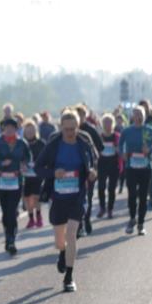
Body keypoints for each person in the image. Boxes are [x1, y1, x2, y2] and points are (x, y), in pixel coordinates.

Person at [34, 110, 96, 292]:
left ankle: (69, 277)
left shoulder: (84, 144)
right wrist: (53, 173)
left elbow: (94, 163)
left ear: (77, 127)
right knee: (60, 242)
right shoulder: (53, 145)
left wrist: (93, 173)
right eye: (66, 129)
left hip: (77, 196)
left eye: (72, 129)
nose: (69, 132)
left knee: (72, 234)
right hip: (58, 197)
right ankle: (62, 252)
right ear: (61, 128)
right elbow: (38, 167)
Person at [0, 118, 32, 255]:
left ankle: (10, 239)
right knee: (6, 212)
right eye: (7, 128)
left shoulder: (21, 143)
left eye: (12, 128)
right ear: (3, 129)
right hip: (1, 182)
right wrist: (0, 163)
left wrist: (24, 164)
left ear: (16, 129)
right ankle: (9, 234)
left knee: (12, 210)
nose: (9, 130)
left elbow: (28, 157)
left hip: (16, 181)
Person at [119, 106, 152, 236]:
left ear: (145, 116)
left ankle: (141, 224)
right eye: (136, 114)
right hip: (131, 167)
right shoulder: (127, 131)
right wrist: (123, 155)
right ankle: (132, 218)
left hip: (145, 168)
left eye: (141, 115)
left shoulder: (150, 130)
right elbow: (120, 146)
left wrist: (150, 151)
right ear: (132, 116)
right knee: (132, 195)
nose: (138, 117)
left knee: (143, 196)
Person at [74, 105, 104, 235]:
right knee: (76, 198)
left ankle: (86, 219)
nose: (79, 118)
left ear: (85, 116)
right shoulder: (67, 131)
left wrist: (92, 161)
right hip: (74, 172)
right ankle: (79, 223)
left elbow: (100, 147)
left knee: (88, 197)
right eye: (77, 115)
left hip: (89, 170)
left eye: (81, 115)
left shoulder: (89, 131)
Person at [21, 120, 46, 228]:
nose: (30, 133)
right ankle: (31, 218)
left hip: (38, 174)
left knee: (36, 197)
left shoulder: (41, 143)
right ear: (24, 132)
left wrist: (39, 164)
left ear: (35, 131)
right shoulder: (21, 144)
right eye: (27, 131)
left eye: (32, 130)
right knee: (27, 198)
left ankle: (39, 216)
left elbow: (47, 158)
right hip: (25, 175)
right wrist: (21, 164)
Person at [96, 113, 121, 219]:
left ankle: (110, 209)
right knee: (101, 187)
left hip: (113, 164)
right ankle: (102, 207)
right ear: (102, 124)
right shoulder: (99, 137)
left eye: (110, 123)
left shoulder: (117, 136)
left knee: (111, 188)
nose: (108, 125)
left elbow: (121, 150)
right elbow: (95, 151)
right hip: (102, 164)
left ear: (113, 124)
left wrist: (117, 150)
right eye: (105, 122)